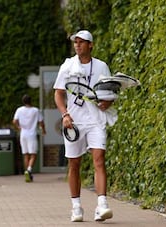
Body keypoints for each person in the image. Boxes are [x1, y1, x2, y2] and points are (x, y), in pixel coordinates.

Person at [53, 30, 114, 222]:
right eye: (75, 42)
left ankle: (102, 205)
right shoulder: (68, 65)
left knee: (99, 159)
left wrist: (108, 103)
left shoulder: (101, 66)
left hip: (96, 119)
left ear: (91, 45)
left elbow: (110, 91)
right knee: (74, 164)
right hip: (74, 121)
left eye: (82, 42)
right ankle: (76, 207)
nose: (78, 45)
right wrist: (65, 115)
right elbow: (58, 93)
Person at [12, 94, 46, 182]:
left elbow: (14, 121)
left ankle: (27, 172)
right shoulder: (35, 110)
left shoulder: (19, 110)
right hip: (32, 134)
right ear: (31, 101)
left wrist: (18, 127)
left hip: (23, 134)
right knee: (33, 154)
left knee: (26, 154)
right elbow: (41, 122)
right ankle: (29, 170)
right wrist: (43, 130)